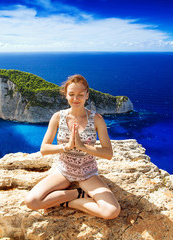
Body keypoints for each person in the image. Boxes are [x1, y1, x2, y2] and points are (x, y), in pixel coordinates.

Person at [25, 74, 121, 219]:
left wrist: (83, 147)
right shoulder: (58, 117)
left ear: (87, 95)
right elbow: (44, 149)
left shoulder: (97, 119)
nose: (75, 99)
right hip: (63, 172)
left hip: (88, 174)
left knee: (111, 212)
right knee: (32, 201)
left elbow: (108, 153)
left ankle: (69, 203)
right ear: (66, 95)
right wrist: (66, 147)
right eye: (71, 94)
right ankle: (77, 194)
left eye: (80, 94)